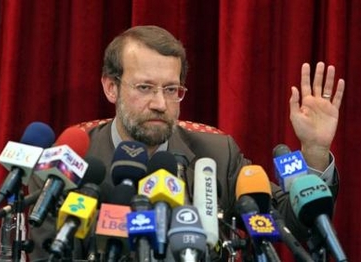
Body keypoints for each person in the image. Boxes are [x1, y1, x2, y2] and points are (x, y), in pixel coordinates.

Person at [28, 25, 345, 261]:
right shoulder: (71, 164)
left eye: (171, 89)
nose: (160, 104)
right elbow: (47, 253)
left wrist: (314, 152)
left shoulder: (219, 155)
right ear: (111, 88)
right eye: (145, 87)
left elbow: (292, 228)